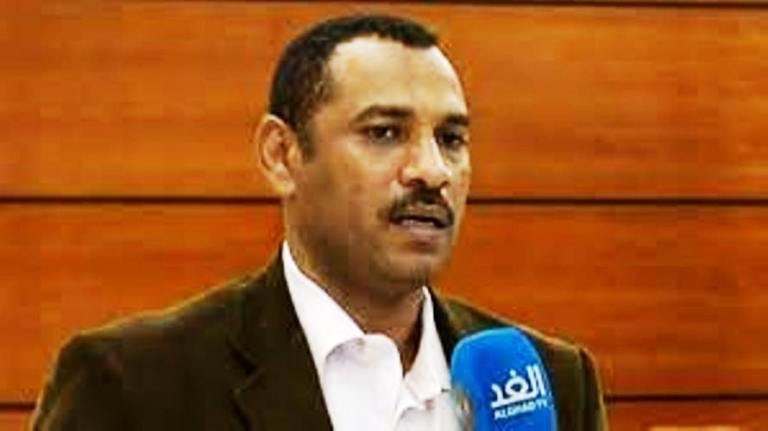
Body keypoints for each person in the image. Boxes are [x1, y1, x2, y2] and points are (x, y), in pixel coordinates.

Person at [31, 14, 607, 430]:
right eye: (385, 132)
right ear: (282, 155)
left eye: (451, 139)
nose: (432, 171)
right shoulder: (133, 384)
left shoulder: (553, 381)